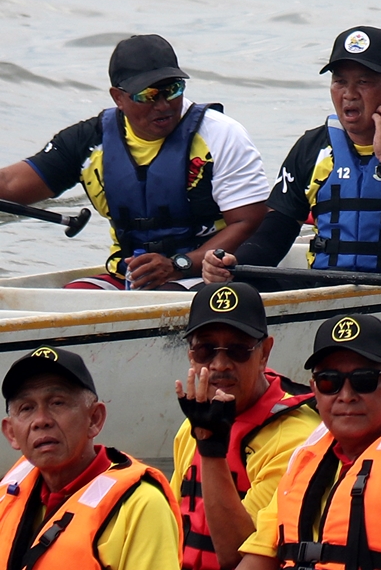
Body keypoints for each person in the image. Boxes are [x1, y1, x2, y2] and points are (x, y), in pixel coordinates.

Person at [203, 27, 381, 284]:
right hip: (327, 288)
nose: (349, 94)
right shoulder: (313, 145)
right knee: (227, 291)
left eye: (363, 82)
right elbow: (275, 235)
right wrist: (233, 265)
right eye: (340, 82)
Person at [0, 35, 269, 291]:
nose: (164, 105)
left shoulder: (221, 134)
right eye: (149, 94)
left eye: (173, 90)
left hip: (206, 274)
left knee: (169, 294)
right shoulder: (89, 141)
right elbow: (10, 184)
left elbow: (250, 223)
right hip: (130, 277)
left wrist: (179, 265)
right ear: (118, 97)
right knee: (69, 296)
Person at [236, 314, 381, 570]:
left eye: (364, 380)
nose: (346, 396)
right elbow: (255, 561)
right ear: (314, 388)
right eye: (329, 382)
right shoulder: (306, 459)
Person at [172, 283, 318, 570]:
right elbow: (168, 526)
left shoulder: (299, 439)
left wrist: (210, 446)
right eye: (205, 349)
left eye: (238, 350)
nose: (220, 364)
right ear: (191, 354)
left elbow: (238, 555)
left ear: (264, 352)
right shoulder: (193, 424)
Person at [0, 346, 182, 569]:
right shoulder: (11, 491)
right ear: (11, 433)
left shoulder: (141, 504)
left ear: (94, 419)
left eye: (57, 403)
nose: (41, 420)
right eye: (27, 408)